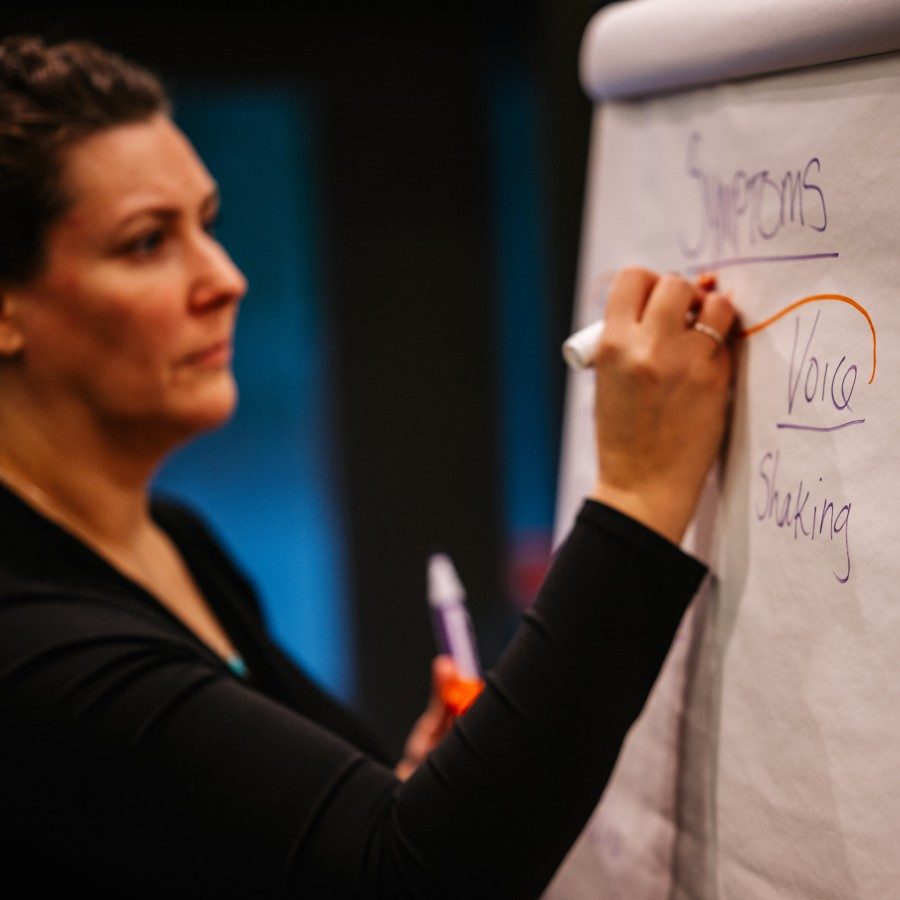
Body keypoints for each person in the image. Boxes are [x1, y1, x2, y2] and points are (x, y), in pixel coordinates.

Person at [0, 35, 736, 899]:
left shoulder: (172, 539)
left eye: (207, 224)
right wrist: (639, 495)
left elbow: (282, 841)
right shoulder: (27, 641)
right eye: (146, 243)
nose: (225, 278)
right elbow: (413, 882)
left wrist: (416, 786)